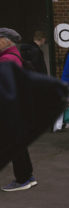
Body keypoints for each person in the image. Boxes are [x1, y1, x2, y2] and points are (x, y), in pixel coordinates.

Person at [0, 27, 38, 191]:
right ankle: (27, 176)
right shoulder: (14, 56)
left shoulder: (7, 59)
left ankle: (23, 178)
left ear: (4, 41)